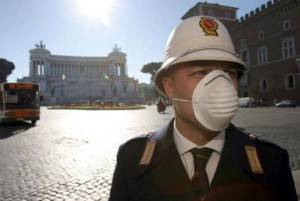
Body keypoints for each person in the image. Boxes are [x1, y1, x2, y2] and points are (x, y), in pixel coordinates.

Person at [109, 16, 297, 201]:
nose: (220, 85)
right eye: (201, 72)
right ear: (169, 86)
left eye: (229, 73)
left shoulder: (271, 160)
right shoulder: (132, 157)